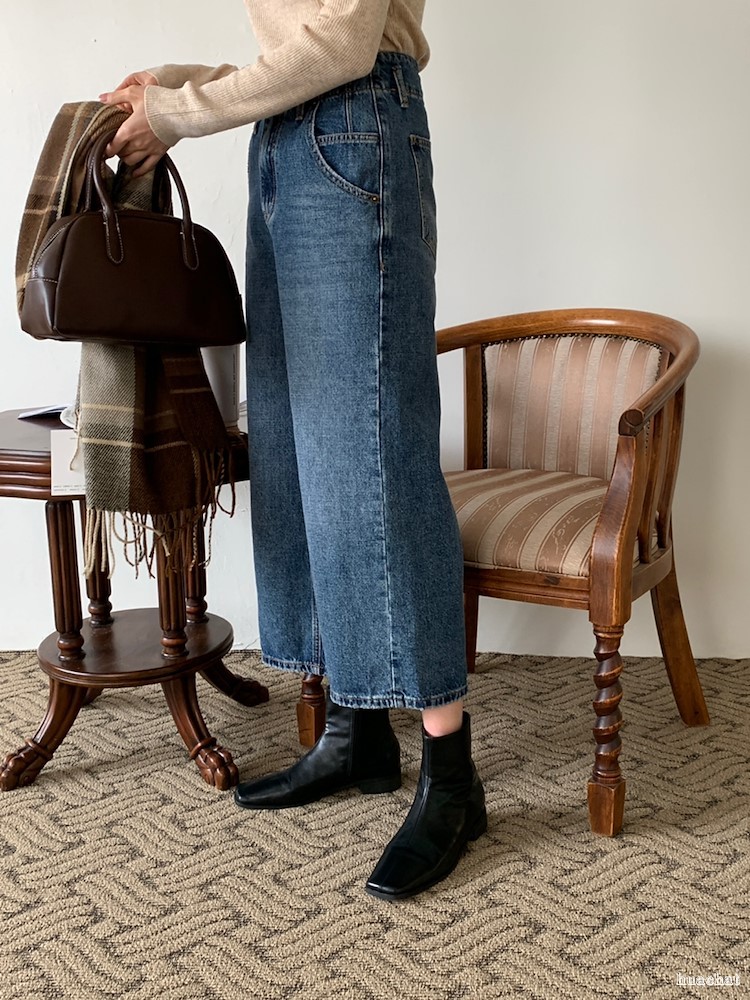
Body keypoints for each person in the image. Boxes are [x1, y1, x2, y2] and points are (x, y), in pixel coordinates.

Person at [100, 0, 486, 901]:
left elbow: (344, 44)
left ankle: (454, 777)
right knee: (296, 439)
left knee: (372, 451)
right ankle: (357, 733)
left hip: (354, 130)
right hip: (289, 140)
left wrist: (177, 112)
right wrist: (174, 89)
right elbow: (299, 48)